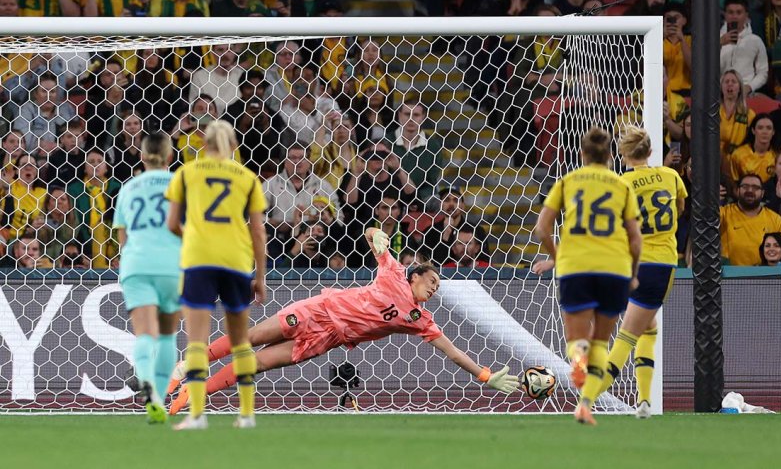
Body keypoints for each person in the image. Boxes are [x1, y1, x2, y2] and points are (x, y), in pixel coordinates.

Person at [166, 227, 519, 414]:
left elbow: (452, 352)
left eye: (438, 286)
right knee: (251, 338)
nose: (435, 289)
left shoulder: (418, 319)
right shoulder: (394, 271)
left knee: (254, 364)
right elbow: (371, 234)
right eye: (432, 281)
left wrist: (485, 375)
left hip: (327, 338)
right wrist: (375, 231)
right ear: (415, 276)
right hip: (318, 310)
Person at [531, 127, 642, 426]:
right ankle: (585, 404)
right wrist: (632, 274)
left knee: (577, 340)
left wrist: (556, 256)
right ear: (610, 155)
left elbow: (542, 229)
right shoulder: (621, 186)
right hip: (614, 268)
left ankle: (578, 362)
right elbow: (635, 239)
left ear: (581, 153)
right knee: (601, 342)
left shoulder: (567, 182)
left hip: (576, 266)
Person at [164, 120, 268, 430]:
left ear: (203, 143)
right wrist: (260, 276)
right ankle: (247, 414)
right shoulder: (247, 177)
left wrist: (193, 240)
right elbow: (258, 230)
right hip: (236, 260)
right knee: (240, 341)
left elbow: (171, 223)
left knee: (196, 342)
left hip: (199, 261)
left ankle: (197, 415)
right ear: (233, 145)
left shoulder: (187, 173)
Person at [582, 126, 686, 420]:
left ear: (622, 153)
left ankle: (642, 401)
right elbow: (679, 208)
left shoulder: (619, 183)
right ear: (651, 151)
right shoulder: (671, 175)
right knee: (628, 335)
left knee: (647, 327)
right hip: (661, 263)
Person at [113, 133, 182, 424]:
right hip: (170, 265)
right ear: (169, 157)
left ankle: (146, 385)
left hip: (137, 264)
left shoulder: (128, 189)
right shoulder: (181, 186)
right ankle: (160, 398)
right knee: (167, 335)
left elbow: (122, 236)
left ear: (141, 157)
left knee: (144, 334)